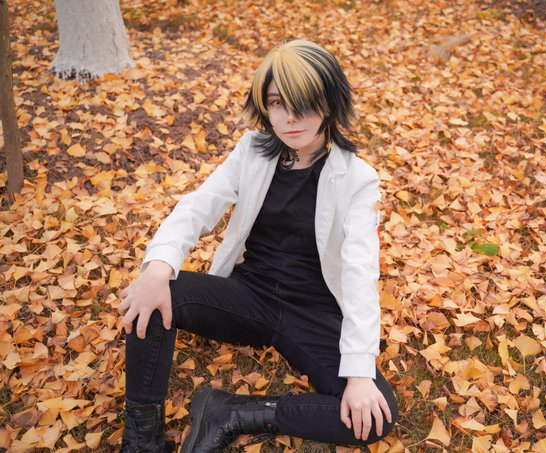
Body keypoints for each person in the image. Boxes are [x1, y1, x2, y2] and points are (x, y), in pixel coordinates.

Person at [117, 39, 398, 452]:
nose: (290, 117)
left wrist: (359, 375)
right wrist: (158, 268)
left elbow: (360, 272)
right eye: (277, 103)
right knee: (152, 295)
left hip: (312, 312)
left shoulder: (358, 180)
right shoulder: (252, 152)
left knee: (376, 416)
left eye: (304, 102)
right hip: (247, 297)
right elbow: (197, 207)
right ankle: (142, 440)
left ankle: (231, 412)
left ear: (329, 102)